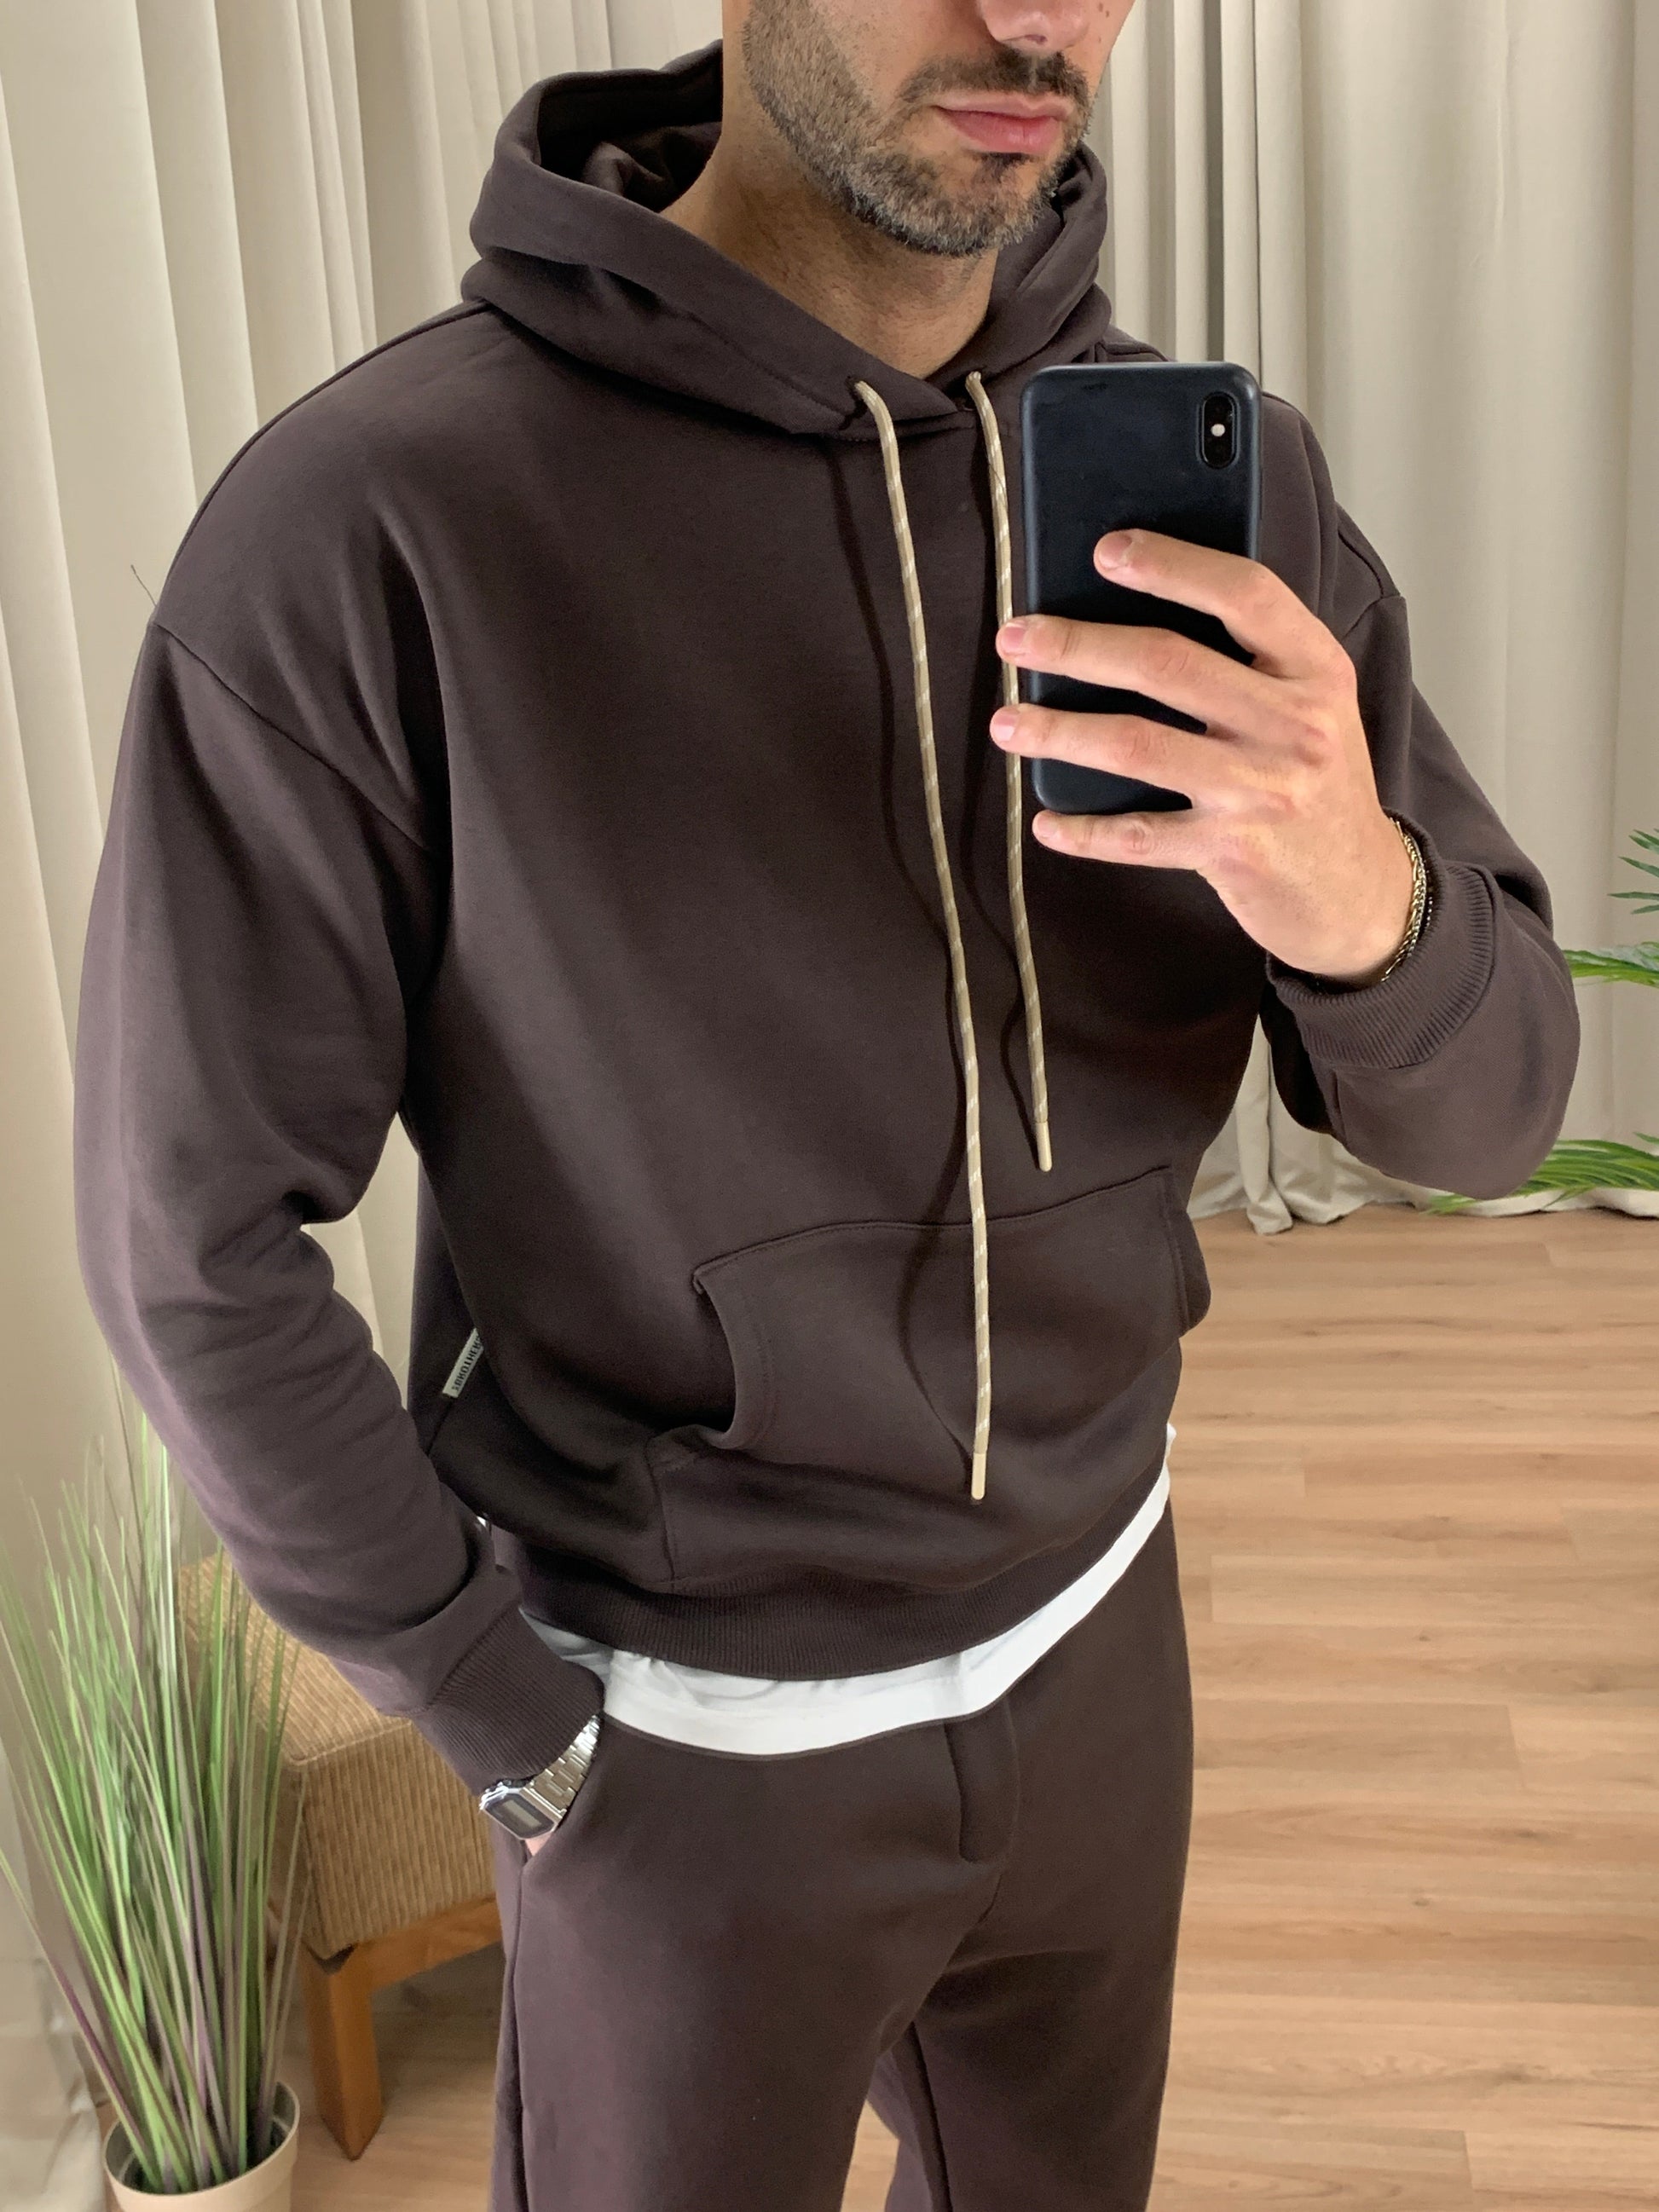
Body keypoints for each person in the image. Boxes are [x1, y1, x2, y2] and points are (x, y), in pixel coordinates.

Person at [72, 5, 1579, 2208]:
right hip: (682, 1752)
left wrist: (1361, 892)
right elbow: (187, 1245)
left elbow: (1494, 1116)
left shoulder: (1227, 502)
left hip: (1100, 1654)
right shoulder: (373, 527)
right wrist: (507, 1718)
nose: (1035, 15)